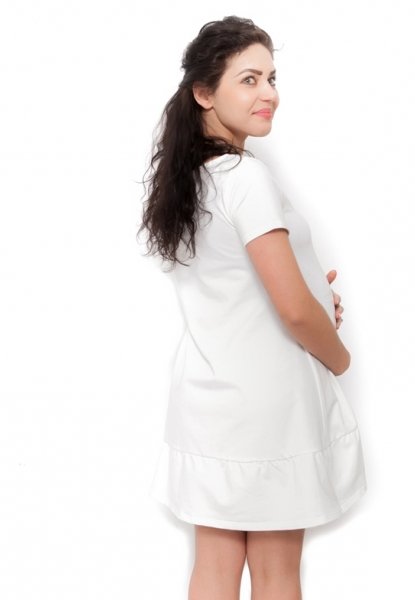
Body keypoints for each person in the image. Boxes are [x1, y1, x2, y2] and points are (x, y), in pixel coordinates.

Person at [137, 15, 367, 600]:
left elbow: (236, 287)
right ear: (204, 92)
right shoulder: (245, 177)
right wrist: (339, 356)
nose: (269, 93)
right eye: (249, 79)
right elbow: (292, 310)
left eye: (271, 77)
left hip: (207, 402)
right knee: (276, 572)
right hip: (267, 410)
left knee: (213, 567)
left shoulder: (190, 181)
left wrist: (313, 288)